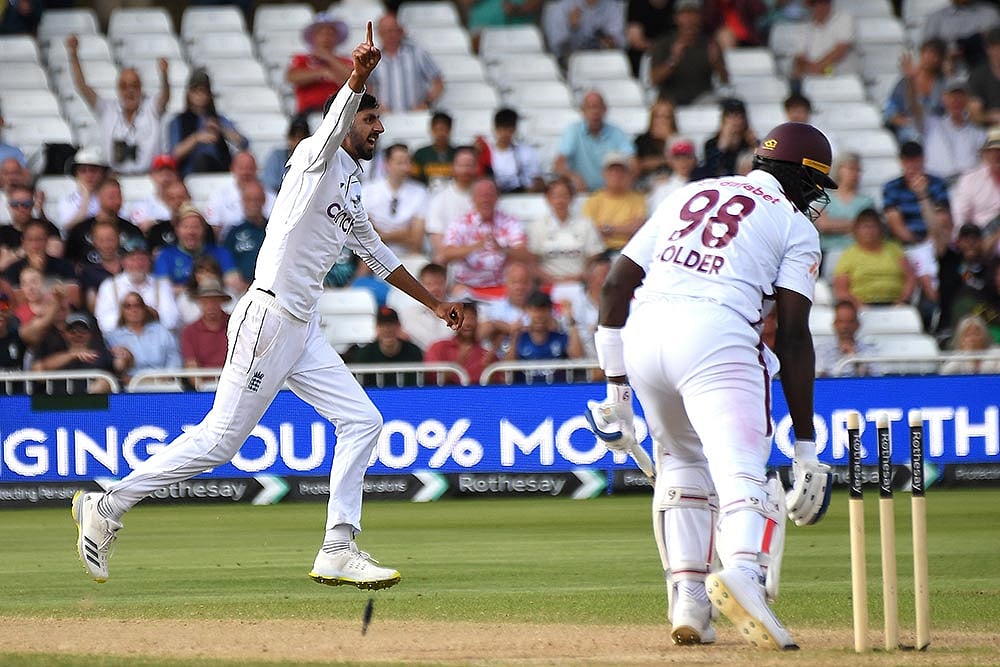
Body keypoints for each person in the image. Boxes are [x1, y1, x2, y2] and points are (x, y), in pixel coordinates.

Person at [71, 25, 465, 590]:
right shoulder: (313, 157)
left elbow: (377, 255)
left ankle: (337, 546)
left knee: (363, 421)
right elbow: (331, 129)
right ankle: (108, 505)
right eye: (371, 119)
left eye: (379, 120)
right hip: (268, 315)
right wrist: (356, 76)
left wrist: (436, 303)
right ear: (348, 116)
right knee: (219, 441)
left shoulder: (350, 184)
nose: (379, 128)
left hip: (302, 329)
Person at [584, 122, 837, 649]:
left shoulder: (690, 192)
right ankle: (743, 573)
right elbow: (791, 335)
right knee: (742, 470)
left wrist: (616, 392)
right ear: (799, 176)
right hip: (717, 334)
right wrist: (807, 447)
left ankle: (691, 601)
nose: (816, 200)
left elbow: (613, 287)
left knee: (680, 466)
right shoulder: (795, 225)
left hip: (645, 335)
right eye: (815, 186)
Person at [66, 34, 169, 175]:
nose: (129, 91)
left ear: (141, 88)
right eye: (124, 86)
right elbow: (82, 87)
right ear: (118, 90)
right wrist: (73, 54)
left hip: (149, 177)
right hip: (114, 178)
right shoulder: (107, 109)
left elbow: (165, 96)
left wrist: (164, 75)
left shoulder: (151, 107)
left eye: (134, 85)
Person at [883, 141, 951, 303]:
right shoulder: (892, 187)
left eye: (915, 159)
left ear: (923, 159)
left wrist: (923, 196)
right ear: (901, 161)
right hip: (905, 244)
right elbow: (895, 224)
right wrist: (918, 243)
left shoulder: (937, 184)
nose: (912, 165)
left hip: (935, 241)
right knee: (919, 259)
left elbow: (942, 221)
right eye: (907, 160)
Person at [441, 177, 532, 298]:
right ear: (472, 199)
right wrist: (476, 246)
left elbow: (525, 254)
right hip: (468, 286)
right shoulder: (460, 223)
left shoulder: (510, 222)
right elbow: (446, 253)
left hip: (504, 287)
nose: (485, 200)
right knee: (459, 295)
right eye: (481, 195)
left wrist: (503, 249)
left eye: (489, 195)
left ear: (497, 198)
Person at [526, 177, 605, 302]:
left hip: (581, 285)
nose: (560, 201)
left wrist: (581, 276)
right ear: (548, 199)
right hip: (548, 286)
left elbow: (595, 259)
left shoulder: (585, 224)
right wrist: (553, 280)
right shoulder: (537, 226)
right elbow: (532, 263)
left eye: (564, 195)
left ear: (571, 198)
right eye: (555, 196)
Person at [168, 68, 249, 178]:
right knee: (202, 160)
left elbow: (243, 142)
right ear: (189, 93)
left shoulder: (218, 119)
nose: (200, 95)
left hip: (220, 170)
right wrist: (196, 138)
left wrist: (221, 129)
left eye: (204, 91)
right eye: (196, 91)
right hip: (189, 173)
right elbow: (174, 154)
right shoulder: (178, 121)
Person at [649, 0, 729, 106]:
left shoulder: (710, 43)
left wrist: (716, 63)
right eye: (684, 14)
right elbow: (654, 80)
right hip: (671, 99)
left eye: (694, 14)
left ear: (700, 17)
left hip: (702, 99)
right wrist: (673, 61)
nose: (689, 19)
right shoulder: (663, 43)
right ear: (676, 18)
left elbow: (725, 80)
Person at [832, 208, 917, 308]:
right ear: (856, 230)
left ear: (880, 229)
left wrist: (903, 300)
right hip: (862, 307)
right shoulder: (848, 255)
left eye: (873, 227)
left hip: (896, 305)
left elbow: (910, 277)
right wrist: (859, 305)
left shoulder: (894, 249)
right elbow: (841, 290)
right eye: (865, 227)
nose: (869, 231)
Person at [94, 236, 179, 335]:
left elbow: (171, 320)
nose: (137, 263)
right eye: (132, 259)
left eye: (142, 258)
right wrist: (133, 317)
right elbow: (104, 323)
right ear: (123, 262)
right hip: (122, 341)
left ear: (149, 261)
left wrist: (145, 317)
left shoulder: (162, 284)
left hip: (155, 339)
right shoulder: (109, 286)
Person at [554, 91, 636, 193]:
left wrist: (624, 182)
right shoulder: (573, 131)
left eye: (598, 107)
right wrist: (572, 177)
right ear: (582, 111)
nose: (595, 111)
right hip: (582, 193)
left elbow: (633, 162)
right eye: (590, 107)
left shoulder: (616, 132)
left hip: (611, 194)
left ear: (605, 109)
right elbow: (558, 164)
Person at [153, 204, 241, 294]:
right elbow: (163, 290)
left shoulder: (221, 253)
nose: (191, 232)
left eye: (196, 227)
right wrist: (196, 291)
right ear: (177, 230)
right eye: (185, 227)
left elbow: (234, 285)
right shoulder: (165, 255)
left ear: (204, 229)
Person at [361, 143, 428, 259]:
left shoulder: (420, 192)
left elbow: (417, 241)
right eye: (400, 163)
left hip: (408, 255)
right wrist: (404, 234)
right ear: (386, 164)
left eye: (408, 162)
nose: (405, 167)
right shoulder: (367, 191)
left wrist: (380, 236)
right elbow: (363, 236)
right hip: (372, 257)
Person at [814, 152, 875, 278]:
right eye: (851, 169)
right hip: (828, 253)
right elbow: (823, 225)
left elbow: (869, 228)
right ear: (839, 170)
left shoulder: (866, 201)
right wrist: (854, 224)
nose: (855, 174)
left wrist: (835, 223)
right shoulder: (824, 197)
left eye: (858, 170)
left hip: (858, 254)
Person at [368, 13, 444, 112]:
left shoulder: (417, 53)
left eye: (393, 30)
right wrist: (376, 106)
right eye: (385, 31)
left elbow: (438, 83)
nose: (390, 35)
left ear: (401, 31)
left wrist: (426, 103)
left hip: (416, 116)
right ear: (379, 33)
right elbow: (369, 87)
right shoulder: (373, 58)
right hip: (385, 118)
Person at [32, 311, 122, 395]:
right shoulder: (56, 354)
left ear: (90, 334)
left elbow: (120, 366)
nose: (78, 335)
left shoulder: (102, 354)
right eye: (73, 331)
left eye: (83, 331)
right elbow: (40, 369)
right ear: (65, 334)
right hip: (58, 407)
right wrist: (72, 355)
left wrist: (124, 354)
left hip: (92, 408)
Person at [505, 289, 582, 382]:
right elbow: (507, 367)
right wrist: (514, 336)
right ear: (527, 311)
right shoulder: (520, 339)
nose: (539, 316)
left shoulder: (560, 338)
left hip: (557, 393)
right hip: (525, 393)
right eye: (535, 311)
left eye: (543, 311)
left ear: (550, 312)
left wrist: (571, 323)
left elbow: (577, 357)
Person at [105, 292, 182, 384]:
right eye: (128, 306)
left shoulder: (162, 332)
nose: (133, 310)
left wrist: (167, 378)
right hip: (130, 387)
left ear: (144, 308)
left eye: (137, 305)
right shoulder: (112, 337)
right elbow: (111, 367)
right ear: (122, 310)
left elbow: (174, 358)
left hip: (163, 384)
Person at [65, 178, 145, 266]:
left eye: (119, 196)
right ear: (99, 197)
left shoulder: (132, 231)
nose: (117, 201)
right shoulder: (80, 230)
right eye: (111, 197)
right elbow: (69, 262)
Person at [286, 13, 353, 117]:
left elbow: (353, 79)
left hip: (338, 113)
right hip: (309, 113)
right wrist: (322, 73)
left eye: (330, 34)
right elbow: (292, 77)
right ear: (314, 37)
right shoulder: (301, 59)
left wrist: (328, 57)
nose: (326, 38)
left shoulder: (345, 61)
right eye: (321, 34)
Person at [923, 77, 988, 184]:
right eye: (952, 96)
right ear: (944, 99)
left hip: (967, 187)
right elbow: (914, 109)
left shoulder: (979, 133)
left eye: (960, 96)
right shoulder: (930, 124)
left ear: (967, 99)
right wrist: (910, 80)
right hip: (937, 187)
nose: (956, 101)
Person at [883, 39, 948, 144]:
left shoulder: (945, 83)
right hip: (909, 132)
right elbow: (890, 111)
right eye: (927, 53)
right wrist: (905, 122)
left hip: (938, 131)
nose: (930, 58)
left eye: (935, 55)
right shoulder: (903, 83)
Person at [581, 153, 647, 252]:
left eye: (621, 171)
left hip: (629, 251)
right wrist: (623, 229)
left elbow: (637, 228)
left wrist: (607, 229)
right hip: (601, 251)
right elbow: (590, 230)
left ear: (628, 174)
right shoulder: (593, 200)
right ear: (604, 173)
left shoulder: (638, 199)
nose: (616, 174)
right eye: (612, 171)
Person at [204, 152, 276, 240]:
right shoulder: (219, 195)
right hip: (228, 245)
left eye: (250, 168)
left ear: (257, 169)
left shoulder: (271, 197)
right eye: (241, 168)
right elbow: (214, 229)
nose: (246, 172)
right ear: (232, 169)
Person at [425, 145, 478, 261]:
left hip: (482, 259)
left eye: (469, 165)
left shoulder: (485, 197)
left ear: (476, 168)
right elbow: (438, 243)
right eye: (461, 165)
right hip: (450, 259)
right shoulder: (439, 199)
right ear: (453, 167)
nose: (465, 170)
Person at [386, 262, 455, 352]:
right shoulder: (407, 314)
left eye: (439, 283)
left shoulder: (458, 312)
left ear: (446, 283)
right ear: (421, 285)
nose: (435, 288)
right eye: (429, 284)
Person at [349, 306, 425, 387]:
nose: (387, 329)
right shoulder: (365, 354)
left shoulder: (413, 351)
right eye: (382, 325)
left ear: (399, 326)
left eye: (391, 324)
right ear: (376, 328)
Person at [425, 300, 495, 384]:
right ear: (454, 321)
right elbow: (431, 380)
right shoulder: (438, 348)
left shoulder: (486, 355)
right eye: (464, 318)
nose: (468, 324)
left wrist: (490, 370)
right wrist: (458, 363)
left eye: (472, 318)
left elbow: (497, 385)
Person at [922, 0, 1000, 73]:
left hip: (983, 73)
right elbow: (927, 58)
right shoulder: (936, 19)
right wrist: (946, 56)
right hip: (947, 77)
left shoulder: (990, 15)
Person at [789, 0, 857, 84]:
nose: (819, 7)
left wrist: (818, 68)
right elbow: (800, 57)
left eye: (823, 2)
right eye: (814, 4)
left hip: (843, 78)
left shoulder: (844, 18)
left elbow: (841, 49)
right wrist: (807, 68)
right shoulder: (804, 26)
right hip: (812, 80)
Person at [544, 0, 626, 68]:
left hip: (603, 64)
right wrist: (572, 28)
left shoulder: (613, 7)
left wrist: (611, 43)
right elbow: (557, 49)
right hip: (569, 68)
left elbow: (620, 46)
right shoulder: (562, 7)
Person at [950, 126, 1000, 235]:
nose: (997, 155)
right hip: (980, 237)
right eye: (993, 151)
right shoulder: (970, 179)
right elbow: (960, 216)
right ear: (985, 154)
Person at [222, 181, 269, 292]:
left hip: (270, 290)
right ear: (242, 201)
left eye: (257, 199)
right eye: (249, 200)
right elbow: (225, 258)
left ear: (264, 201)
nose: (253, 204)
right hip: (242, 289)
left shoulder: (275, 229)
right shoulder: (234, 232)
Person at [484, 108, 544, 194]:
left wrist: (530, 190)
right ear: (495, 129)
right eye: (501, 129)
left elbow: (538, 181)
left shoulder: (528, 152)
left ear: (515, 129)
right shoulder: (487, 153)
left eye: (509, 130)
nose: (504, 134)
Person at [179, 277, 231, 376]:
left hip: (233, 383)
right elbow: (191, 365)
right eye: (206, 301)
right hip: (204, 387)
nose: (210, 306)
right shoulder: (189, 331)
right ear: (199, 303)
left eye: (214, 301)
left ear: (221, 302)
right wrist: (201, 388)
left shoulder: (236, 325)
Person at [694, 97, 757, 180]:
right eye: (731, 117)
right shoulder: (711, 144)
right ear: (724, 119)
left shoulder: (750, 142)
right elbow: (710, 170)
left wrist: (753, 146)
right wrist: (721, 148)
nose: (736, 121)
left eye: (740, 116)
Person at [814, 299, 880, 377]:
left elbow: (874, 380)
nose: (845, 327)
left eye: (850, 322)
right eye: (841, 322)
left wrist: (854, 359)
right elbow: (818, 379)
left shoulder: (869, 350)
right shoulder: (821, 350)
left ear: (858, 324)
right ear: (834, 324)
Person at [58, 146, 110, 233]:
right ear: (76, 174)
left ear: (102, 173)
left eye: (93, 170)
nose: (89, 175)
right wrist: (86, 196)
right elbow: (68, 228)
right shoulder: (67, 200)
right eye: (83, 170)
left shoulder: (110, 197)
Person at [634, 99, 678, 188]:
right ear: (652, 118)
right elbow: (636, 167)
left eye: (667, 117)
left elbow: (684, 164)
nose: (662, 120)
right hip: (646, 186)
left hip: (673, 186)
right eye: (658, 116)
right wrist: (665, 161)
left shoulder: (678, 140)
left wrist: (670, 139)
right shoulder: (641, 140)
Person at [128, 155, 179, 231]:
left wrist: (155, 222)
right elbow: (140, 228)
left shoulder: (183, 201)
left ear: (176, 175)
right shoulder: (143, 204)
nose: (165, 176)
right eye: (160, 171)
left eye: (169, 171)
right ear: (152, 175)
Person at [261, 118, 310, 193]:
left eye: (302, 137)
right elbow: (269, 186)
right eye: (294, 137)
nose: (298, 141)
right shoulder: (277, 156)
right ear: (288, 137)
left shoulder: (313, 160)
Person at [647, 137, 697, 210]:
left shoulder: (704, 183)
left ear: (694, 159)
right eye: (678, 158)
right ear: (670, 161)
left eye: (687, 157)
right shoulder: (663, 187)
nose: (683, 162)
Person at [412, 112, 456, 187]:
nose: (440, 133)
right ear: (431, 129)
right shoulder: (420, 154)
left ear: (450, 129)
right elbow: (414, 181)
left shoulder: (458, 154)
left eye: (443, 129)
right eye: (437, 129)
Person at [968, 27, 1000, 127]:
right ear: (988, 49)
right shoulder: (978, 76)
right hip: (992, 132)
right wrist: (991, 117)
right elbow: (975, 115)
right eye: (996, 47)